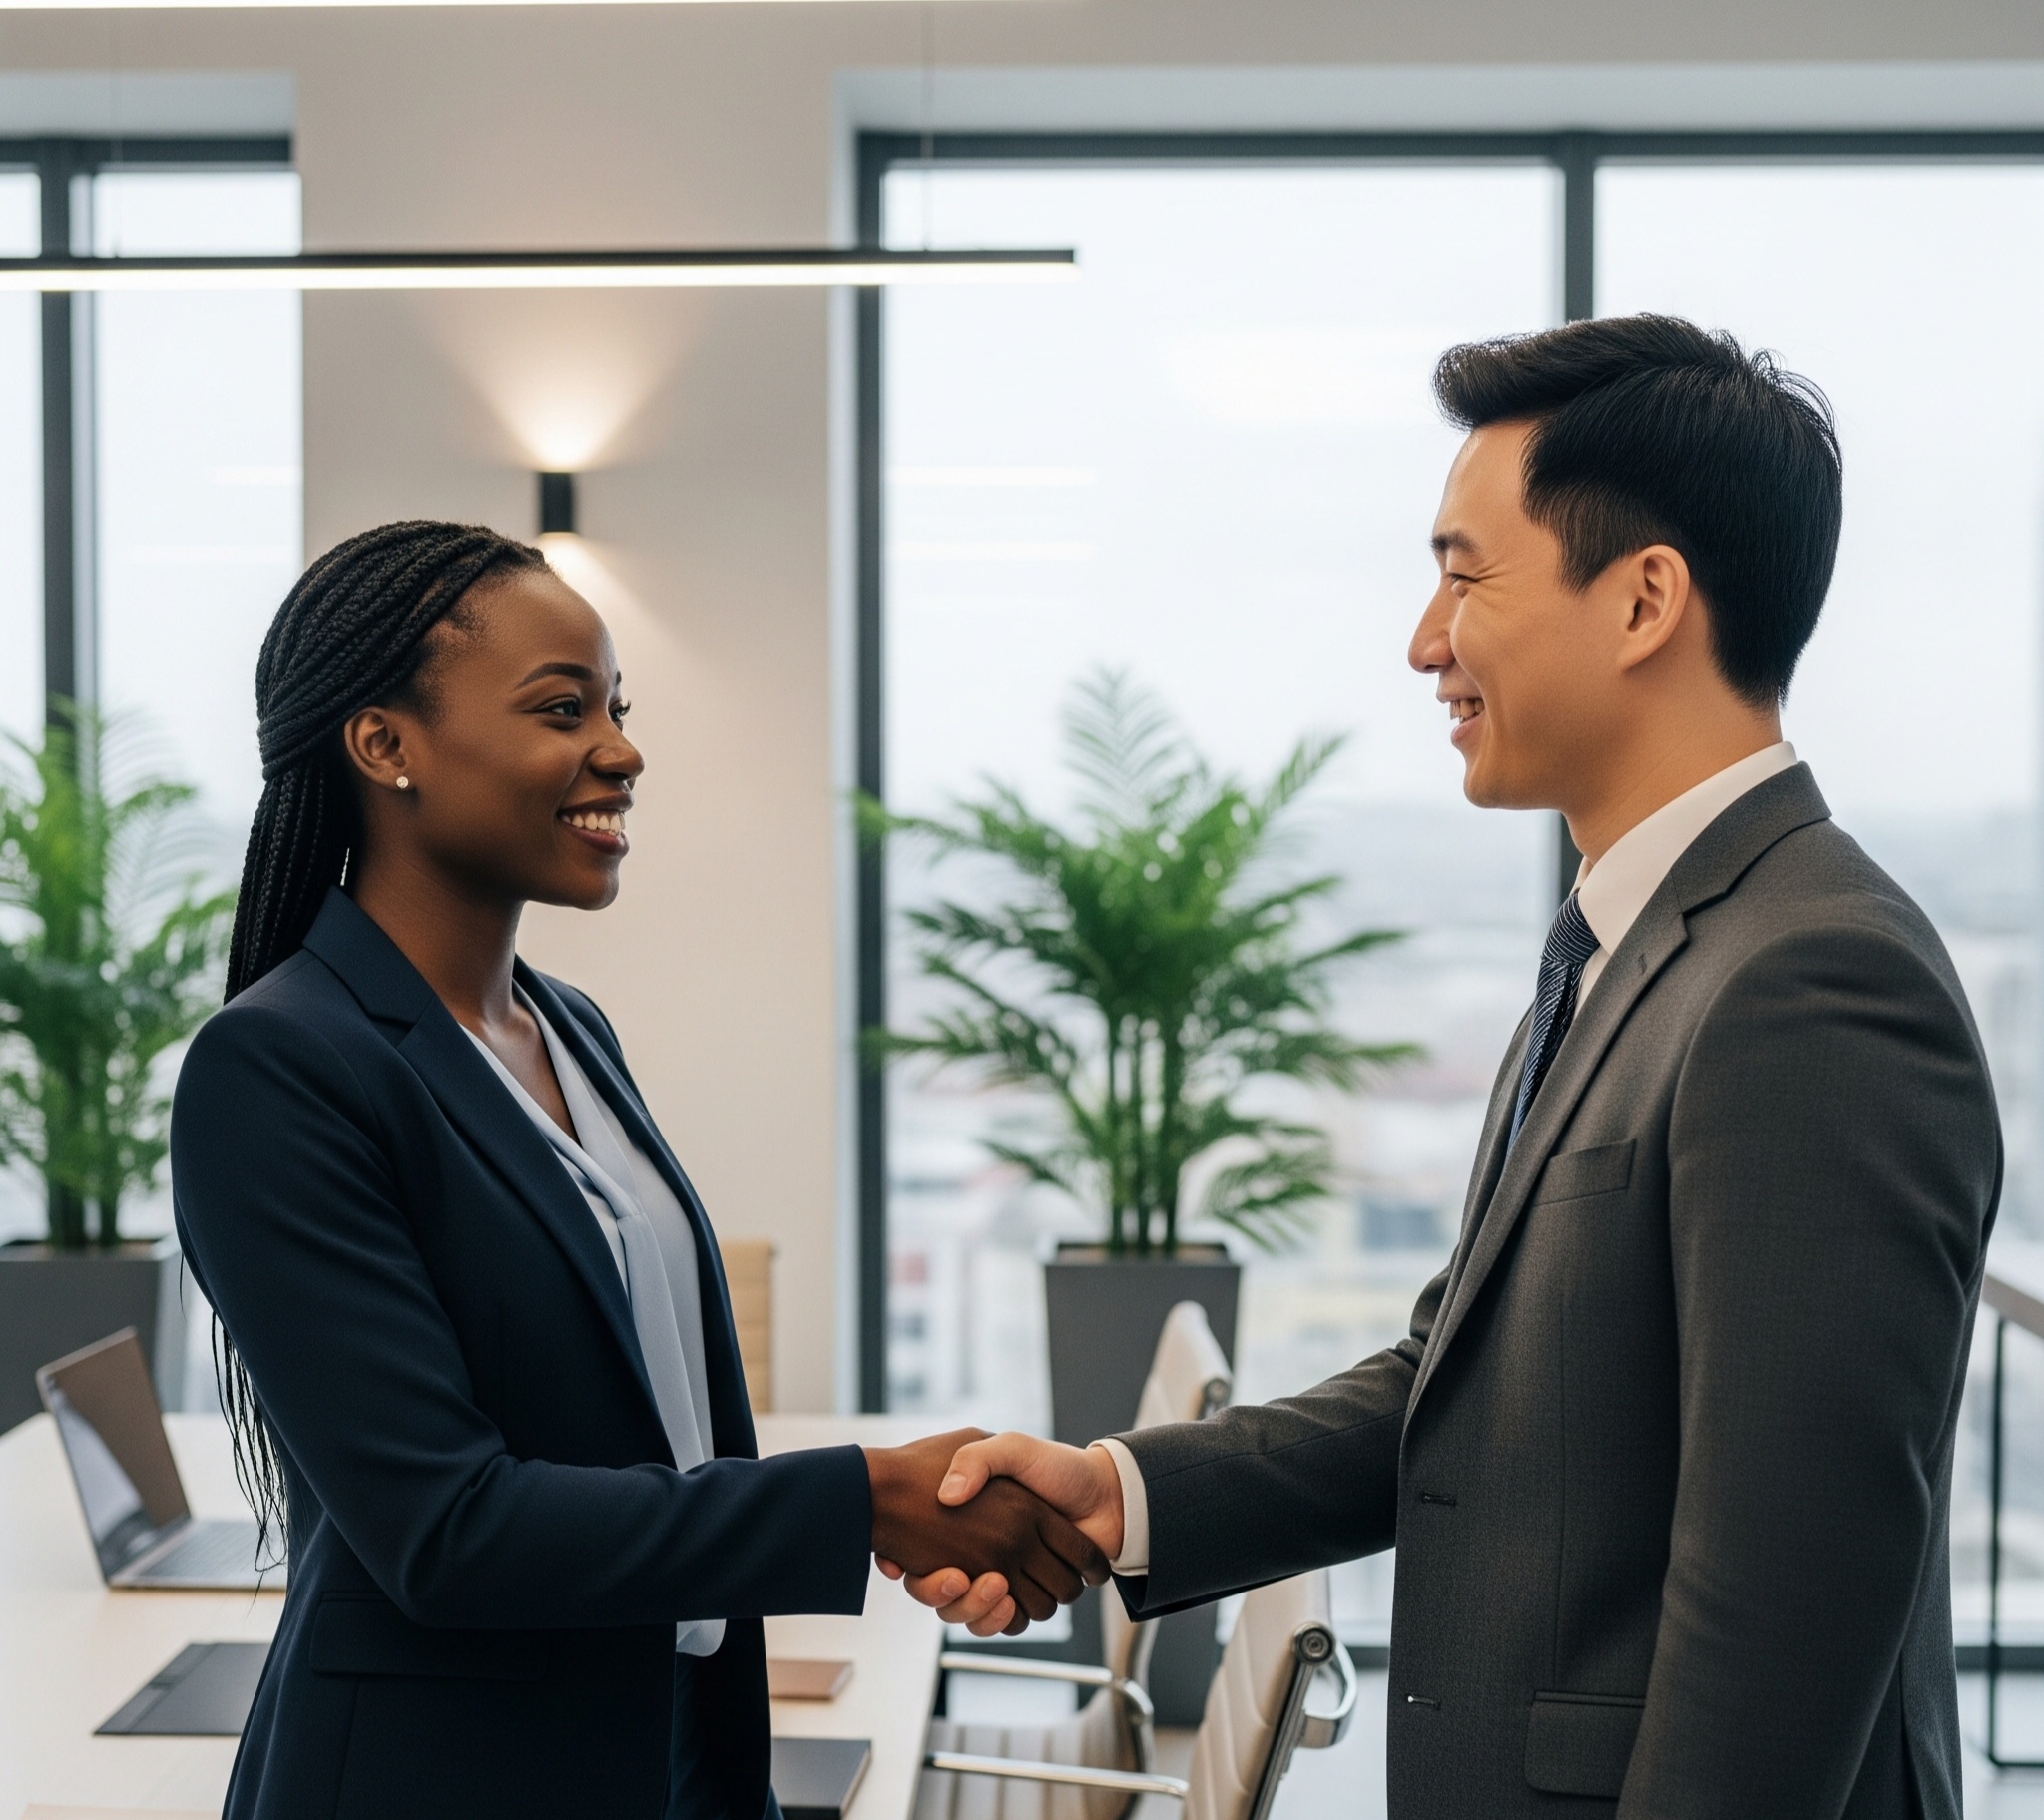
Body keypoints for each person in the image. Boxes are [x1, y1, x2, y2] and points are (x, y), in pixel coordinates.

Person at [900, 317, 2002, 1817]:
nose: (1427, 640)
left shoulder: (1815, 981)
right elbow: (1464, 1386)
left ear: (1644, 601)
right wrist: (1126, 1494)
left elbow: (1784, 1604)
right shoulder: (1632, 947)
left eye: (1465, 575)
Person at [173, 521, 1104, 1820]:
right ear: (384, 746)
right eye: (563, 710)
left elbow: (659, 1432)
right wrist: (869, 1498)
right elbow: (449, 1532)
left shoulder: (569, 1031)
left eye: (614, 706)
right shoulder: (275, 1070)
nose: (621, 748)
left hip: (664, 1754)